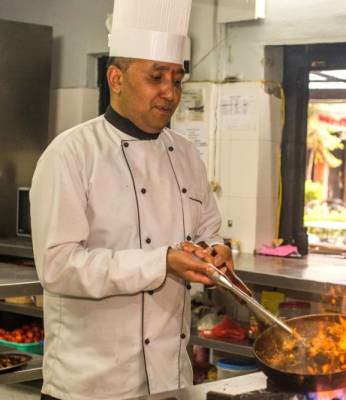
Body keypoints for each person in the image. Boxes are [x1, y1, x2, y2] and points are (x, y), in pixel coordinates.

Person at [30, 0, 233, 399]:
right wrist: (162, 262)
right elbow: (58, 266)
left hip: (171, 380)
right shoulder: (71, 154)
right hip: (90, 385)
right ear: (115, 78)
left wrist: (217, 251)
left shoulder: (187, 154)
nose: (169, 93)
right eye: (156, 77)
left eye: (176, 79)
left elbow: (209, 228)